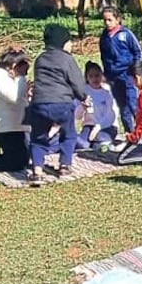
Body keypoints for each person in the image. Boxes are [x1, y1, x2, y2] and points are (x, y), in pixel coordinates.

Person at [27, 24, 89, 186]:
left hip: (39, 104)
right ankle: (64, 165)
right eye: (69, 41)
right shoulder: (67, 59)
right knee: (68, 134)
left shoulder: (40, 59)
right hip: (61, 103)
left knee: (38, 138)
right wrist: (83, 97)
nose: (72, 45)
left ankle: (37, 171)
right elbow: (77, 82)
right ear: (62, 43)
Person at [99, 7, 142, 132]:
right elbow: (103, 56)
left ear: (117, 19)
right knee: (122, 106)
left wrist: (136, 70)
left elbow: (137, 52)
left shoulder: (126, 34)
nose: (107, 23)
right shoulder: (104, 37)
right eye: (105, 20)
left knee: (132, 104)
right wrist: (106, 74)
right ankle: (130, 133)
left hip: (127, 74)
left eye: (110, 20)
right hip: (113, 76)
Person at [75, 61, 120, 151]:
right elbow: (77, 116)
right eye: (91, 76)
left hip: (107, 125)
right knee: (81, 144)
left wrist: (98, 127)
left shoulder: (107, 90)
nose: (94, 79)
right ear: (87, 78)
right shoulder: (83, 91)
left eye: (97, 75)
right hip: (89, 125)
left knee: (100, 140)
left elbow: (111, 114)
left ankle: (103, 143)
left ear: (101, 75)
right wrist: (83, 107)